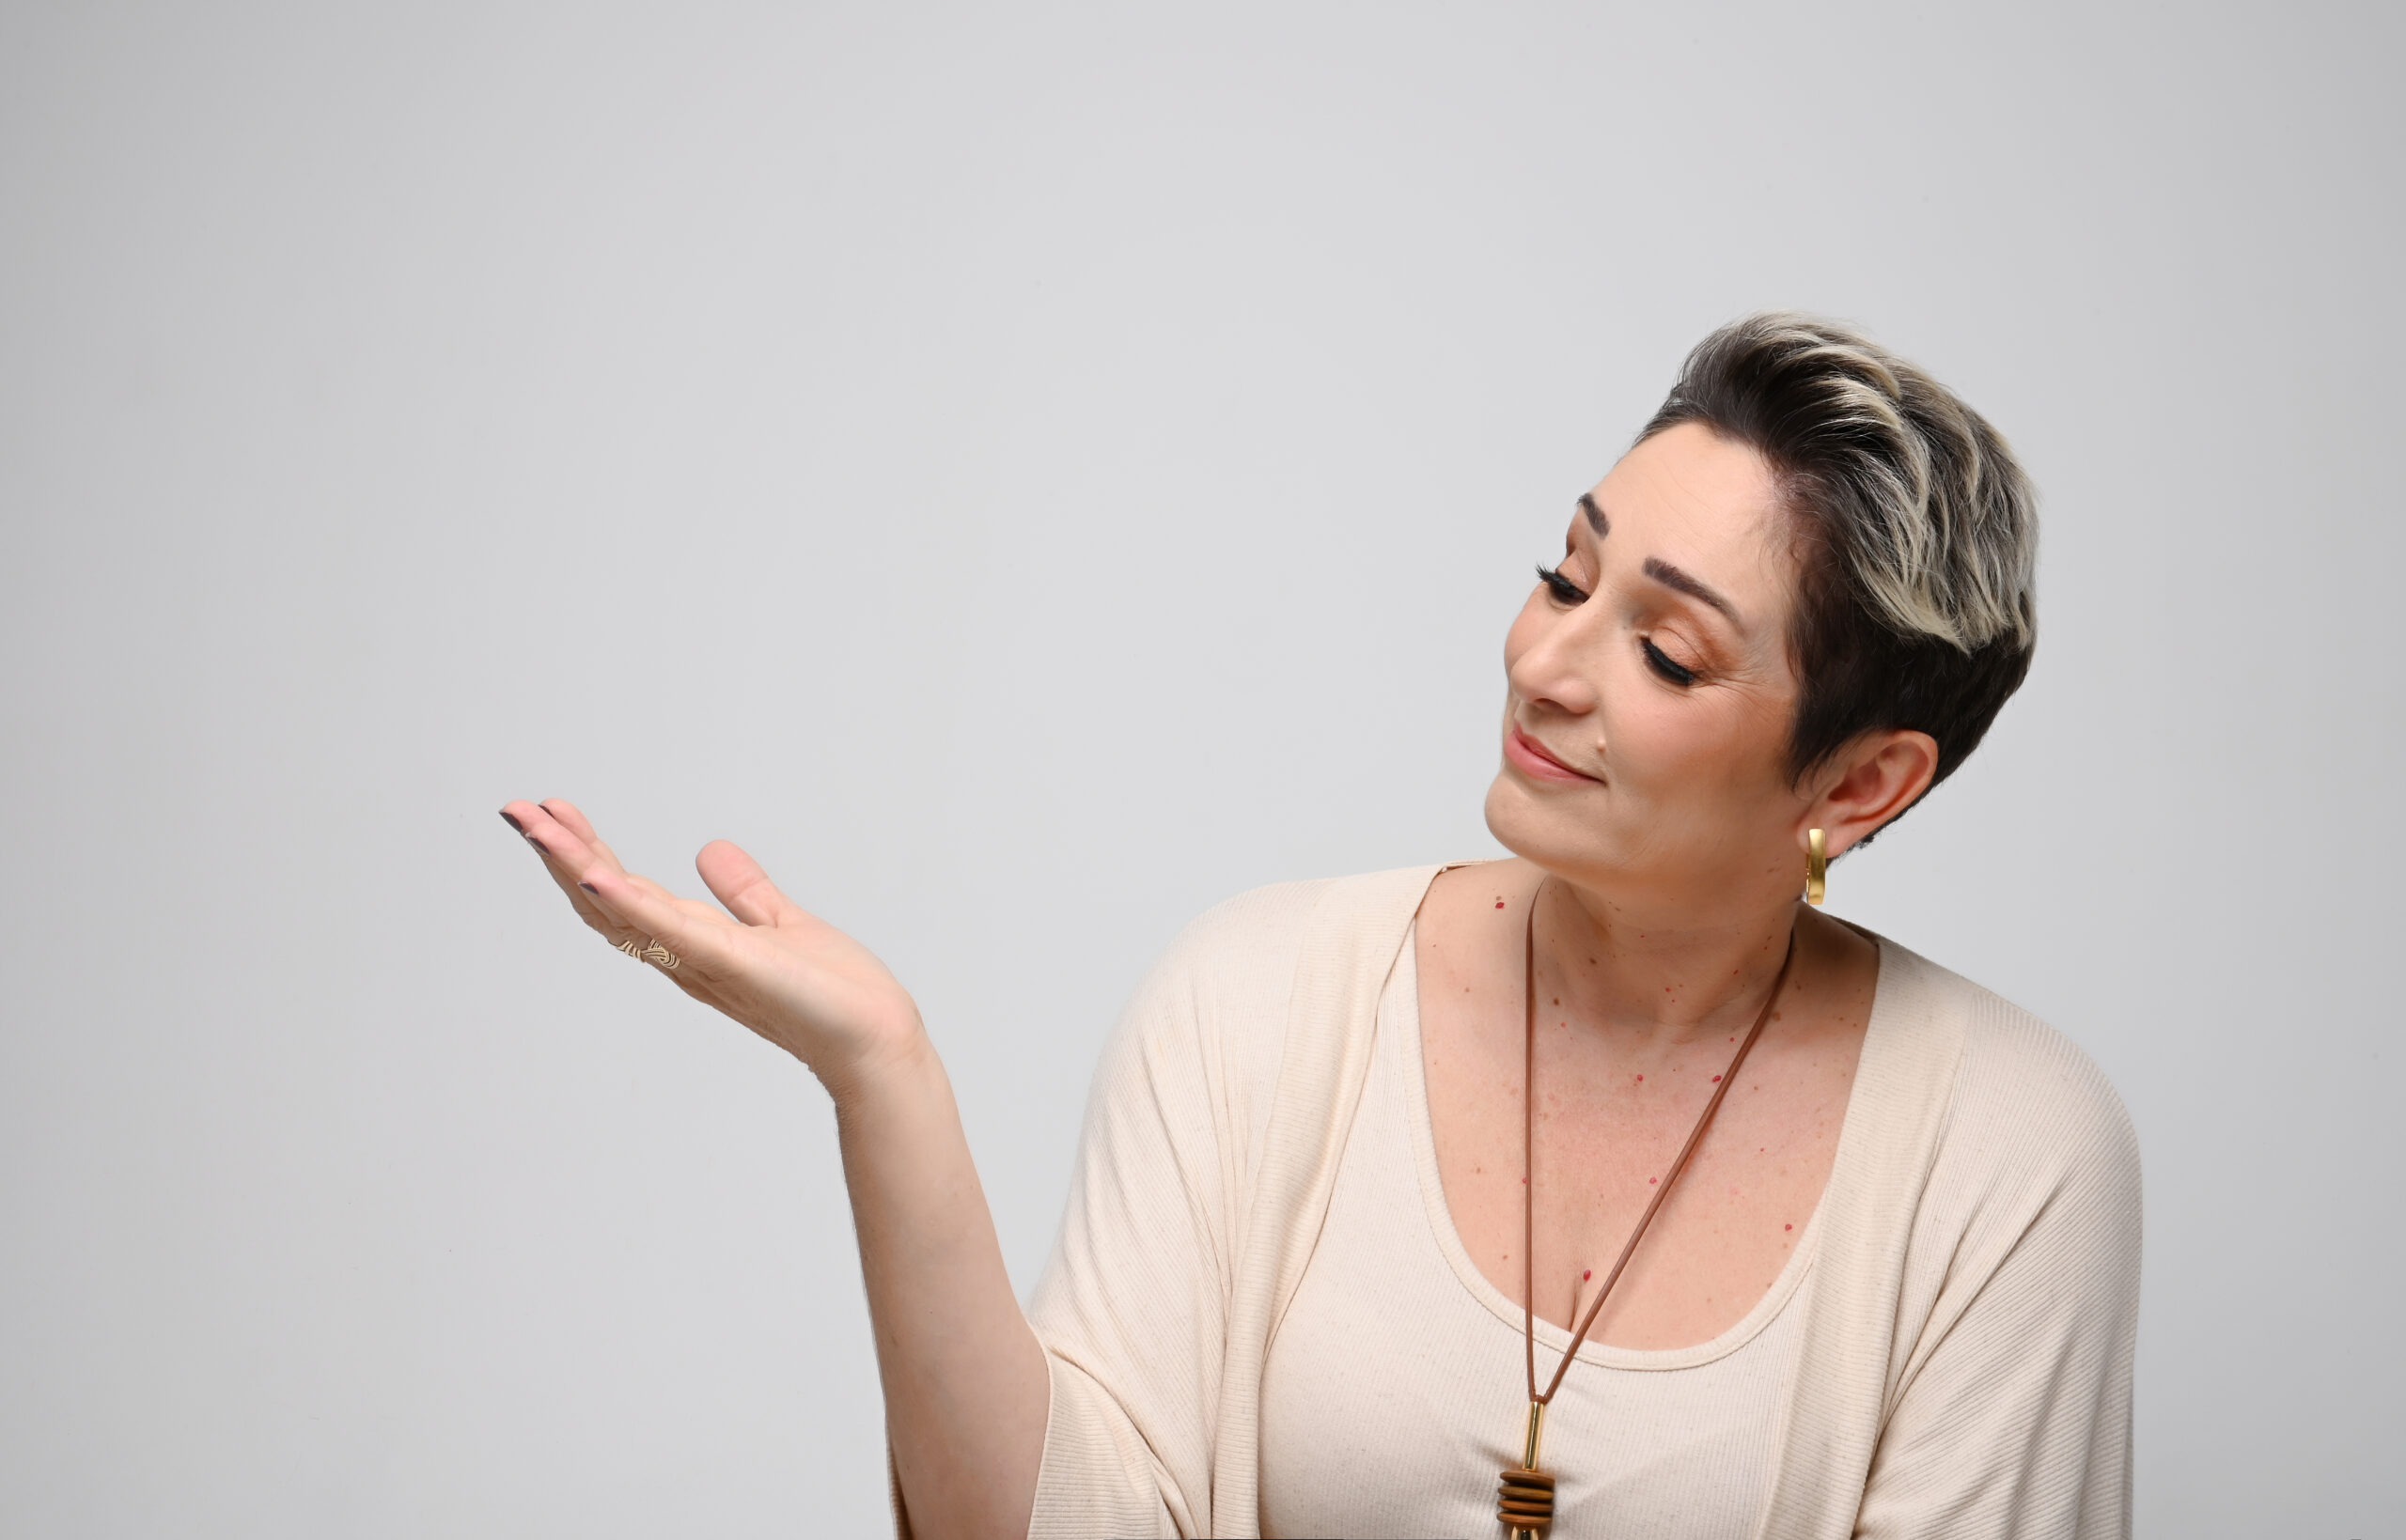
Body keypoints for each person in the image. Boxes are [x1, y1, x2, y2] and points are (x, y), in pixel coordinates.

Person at [500, 312, 2140, 1539]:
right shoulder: (1260, 1001)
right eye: (1566, 577)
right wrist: (885, 1077)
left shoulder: (2006, 1154)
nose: (1544, 665)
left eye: (1666, 652)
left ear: (1858, 782)